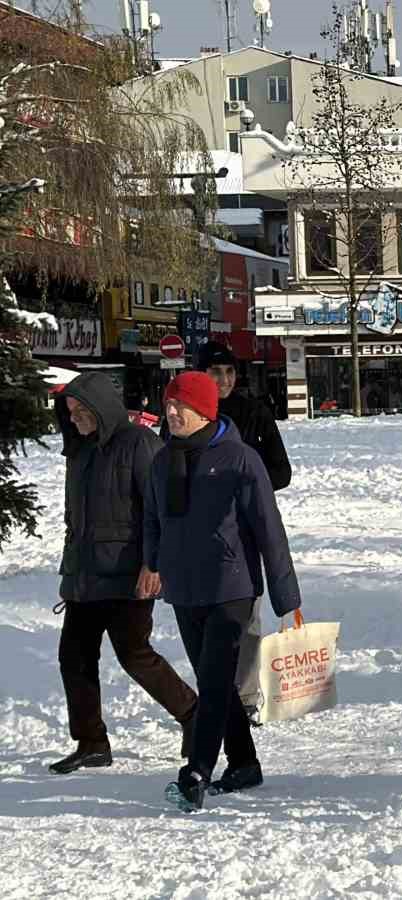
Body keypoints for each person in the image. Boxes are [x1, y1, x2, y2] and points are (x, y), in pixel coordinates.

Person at [144, 373, 302, 811]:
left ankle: (196, 771)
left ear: (205, 410)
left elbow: (270, 531)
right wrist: (152, 564)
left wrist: (286, 598)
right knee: (215, 681)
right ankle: (245, 763)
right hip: (183, 586)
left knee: (214, 679)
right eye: (169, 404)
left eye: (182, 406)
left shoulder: (240, 460)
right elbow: (153, 520)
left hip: (231, 586)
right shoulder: (162, 460)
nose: (172, 412)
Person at [49, 373, 198, 775]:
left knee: (135, 655)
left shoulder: (139, 443)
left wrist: (155, 564)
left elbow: (162, 509)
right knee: (74, 658)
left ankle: (192, 714)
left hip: (129, 575)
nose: (75, 419)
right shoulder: (79, 451)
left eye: (81, 411)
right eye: (70, 413)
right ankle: (92, 742)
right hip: (85, 575)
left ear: (101, 408)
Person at [196, 342, 294, 724]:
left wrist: (242, 481)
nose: (223, 380)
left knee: (245, 616)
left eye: (229, 373)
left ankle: (247, 696)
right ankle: (214, 692)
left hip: (242, 528)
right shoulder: (181, 414)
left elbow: (281, 473)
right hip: (195, 529)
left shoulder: (254, 413)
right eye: (215, 372)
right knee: (201, 617)